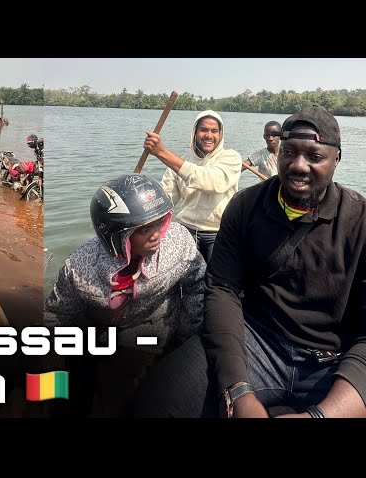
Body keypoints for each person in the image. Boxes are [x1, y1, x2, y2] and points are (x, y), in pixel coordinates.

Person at [133, 105, 366, 418]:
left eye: (314, 156)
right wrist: (238, 390)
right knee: (158, 400)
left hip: (332, 357)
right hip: (257, 342)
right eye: (289, 152)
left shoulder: (359, 219)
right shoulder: (245, 206)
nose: (299, 166)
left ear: (336, 159)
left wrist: (321, 415)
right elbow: (222, 290)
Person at [44, 173, 206, 417]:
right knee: (68, 388)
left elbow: (196, 286)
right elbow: (57, 313)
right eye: (144, 229)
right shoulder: (80, 265)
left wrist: (182, 337)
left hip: (150, 331)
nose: (156, 235)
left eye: (160, 223)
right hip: (93, 331)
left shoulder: (179, 243)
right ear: (115, 235)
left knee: (124, 393)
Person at [143, 110, 242, 263]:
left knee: (216, 279)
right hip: (186, 229)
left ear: (220, 135)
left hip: (219, 231)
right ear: (194, 133)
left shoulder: (231, 157)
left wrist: (162, 152)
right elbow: (165, 200)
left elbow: (213, 182)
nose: (209, 135)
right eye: (203, 130)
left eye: (214, 131)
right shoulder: (180, 162)